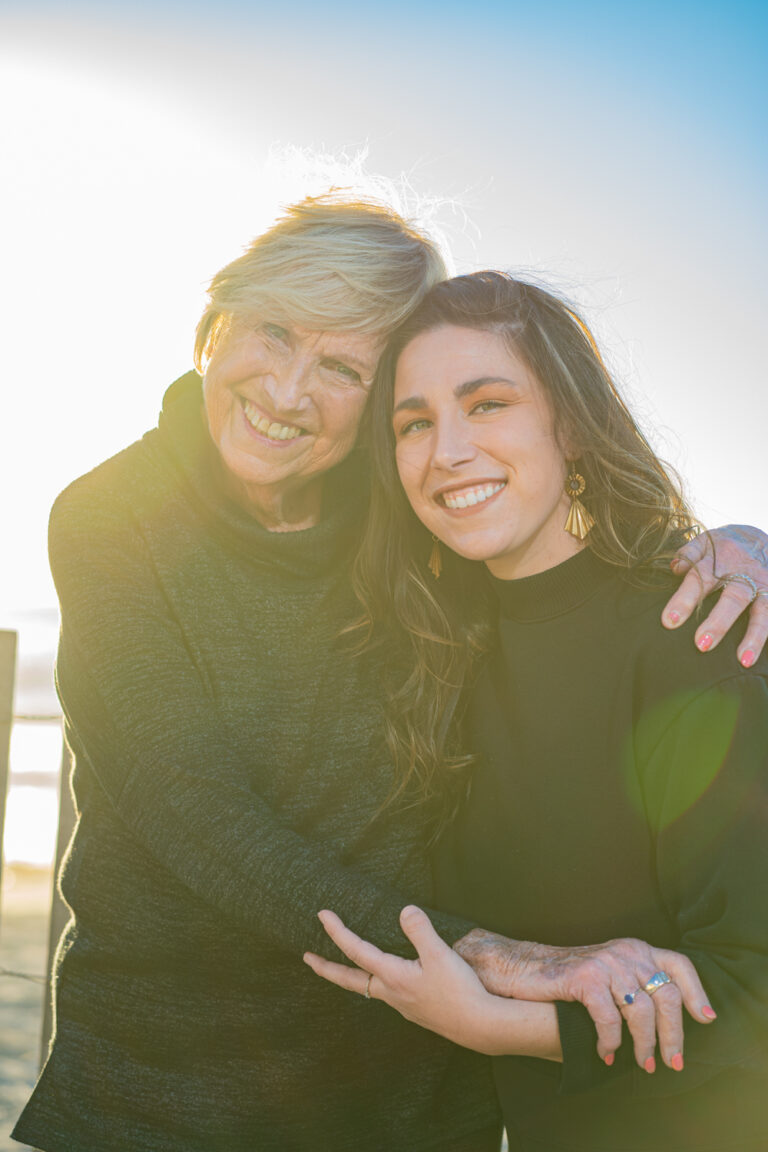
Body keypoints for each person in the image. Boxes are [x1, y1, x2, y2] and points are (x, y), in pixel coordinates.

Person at [13, 201, 767, 1152]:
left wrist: (732, 545)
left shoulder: (406, 509)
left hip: (411, 1099)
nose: (287, 392)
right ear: (216, 326)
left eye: (340, 368)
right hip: (163, 1085)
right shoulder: (113, 518)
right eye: (273, 332)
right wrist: (502, 960)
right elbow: (189, 804)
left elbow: (553, 536)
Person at [305, 271, 768, 1150]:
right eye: (414, 423)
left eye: (486, 404)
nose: (446, 451)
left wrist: (495, 1025)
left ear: (572, 421)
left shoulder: (692, 640)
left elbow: (757, 995)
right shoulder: (433, 662)